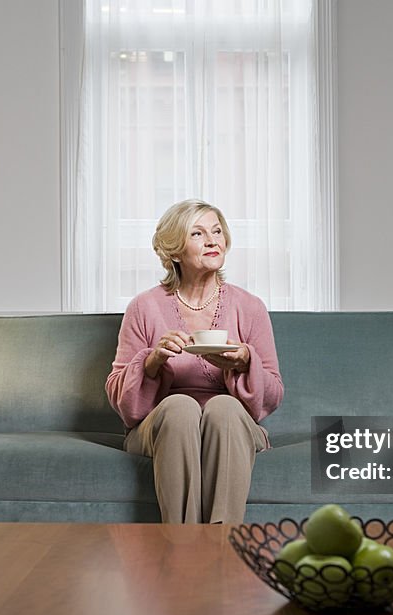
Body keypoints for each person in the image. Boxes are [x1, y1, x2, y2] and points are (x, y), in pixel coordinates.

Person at [106, 199, 284, 524]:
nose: (213, 240)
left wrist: (246, 362)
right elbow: (124, 405)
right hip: (163, 424)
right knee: (180, 407)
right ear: (174, 251)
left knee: (224, 409)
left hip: (231, 424)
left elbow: (271, 397)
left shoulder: (250, 307)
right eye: (198, 234)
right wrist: (152, 361)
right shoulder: (143, 308)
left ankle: (219, 545)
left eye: (217, 231)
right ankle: (184, 546)